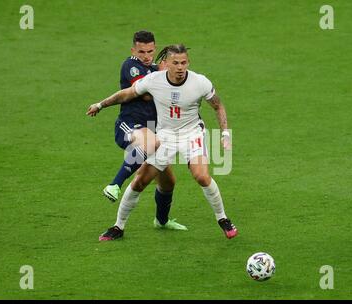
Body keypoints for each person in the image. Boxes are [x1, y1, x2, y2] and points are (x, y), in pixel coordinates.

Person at [87, 44, 238, 239]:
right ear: (166, 63)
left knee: (201, 176)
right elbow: (127, 93)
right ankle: (118, 226)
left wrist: (225, 134)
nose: (180, 67)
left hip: (192, 134)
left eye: (184, 62)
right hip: (164, 136)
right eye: (175, 63)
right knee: (140, 181)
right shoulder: (153, 80)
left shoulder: (200, 82)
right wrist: (101, 104)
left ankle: (223, 219)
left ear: (188, 62)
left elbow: (218, 106)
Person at [89, 31, 187, 239]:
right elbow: (145, 94)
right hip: (130, 125)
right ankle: (115, 185)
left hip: (153, 132)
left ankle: (161, 221)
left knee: (167, 181)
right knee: (150, 146)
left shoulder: (155, 69)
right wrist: (162, 76)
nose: (146, 56)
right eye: (141, 51)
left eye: (150, 51)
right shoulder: (131, 65)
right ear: (133, 50)